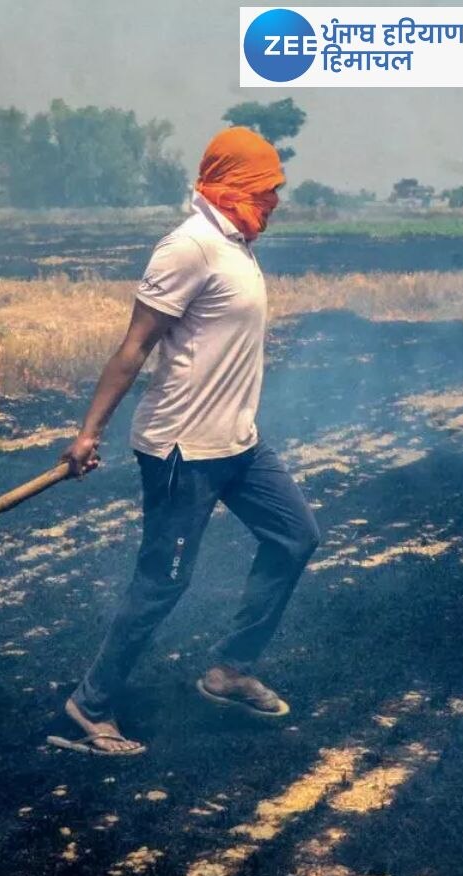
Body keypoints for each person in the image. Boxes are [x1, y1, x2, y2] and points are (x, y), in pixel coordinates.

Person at [56, 126, 320, 756]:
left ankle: (229, 669)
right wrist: (88, 432)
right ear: (230, 185)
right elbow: (134, 347)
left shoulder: (236, 241)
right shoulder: (189, 247)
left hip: (238, 445)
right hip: (182, 451)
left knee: (296, 536)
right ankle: (88, 706)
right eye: (265, 188)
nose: (275, 200)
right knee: (164, 581)